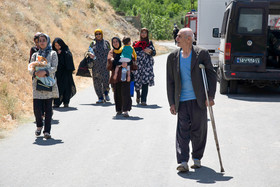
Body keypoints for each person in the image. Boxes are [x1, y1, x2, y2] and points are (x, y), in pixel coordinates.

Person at [166, 28, 217, 172]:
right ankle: (183, 161)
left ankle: (197, 157)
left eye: (179, 36)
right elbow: (170, 82)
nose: (176, 39)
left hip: (198, 99)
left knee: (199, 130)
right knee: (182, 131)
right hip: (181, 100)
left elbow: (211, 76)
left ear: (189, 39)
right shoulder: (173, 57)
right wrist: (171, 102)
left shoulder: (202, 54)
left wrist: (210, 96)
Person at [29, 33, 59, 139]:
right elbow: (30, 68)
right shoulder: (35, 55)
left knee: (48, 109)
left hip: (48, 84)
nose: (41, 42)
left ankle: (47, 131)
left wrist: (45, 71)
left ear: (48, 41)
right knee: (37, 108)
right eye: (40, 40)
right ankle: (39, 125)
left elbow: (54, 67)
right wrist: (35, 73)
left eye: (43, 40)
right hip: (37, 84)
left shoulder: (53, 54)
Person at [107, 37, 136, 117]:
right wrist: (115, 62)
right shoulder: (112, 51)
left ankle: (126, 110)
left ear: (120, 42)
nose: (115, 43)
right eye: (113, 42)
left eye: (117, 41)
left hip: (126, 75)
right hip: (116, 76)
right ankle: (119, 109)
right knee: (117, 93)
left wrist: (127, 63)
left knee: (125, 92)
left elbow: (132, 59)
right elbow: (110, 60)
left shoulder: (125, 49)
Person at [133, 28, 156, 106]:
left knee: (145, 82)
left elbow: (154, 53)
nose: (143, 34)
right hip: (138, 65)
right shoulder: (136, 43)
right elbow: (132, 52)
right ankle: (138, 94)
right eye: (142, 32)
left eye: (145, 33)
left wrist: (150, 51)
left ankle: (144, 100)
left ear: (147, 34)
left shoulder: (149, 43)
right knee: (137, 80)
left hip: (147, 65)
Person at [52, 38, 76, 108]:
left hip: (66, 73)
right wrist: (56, 54)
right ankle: (57, 102)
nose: (57, 47)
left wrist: (62, 53)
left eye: (59, 45)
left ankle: (66, 102)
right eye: (56, 46)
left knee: (66, 87)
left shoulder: (66, 50)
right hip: (57, 73)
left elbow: (69, 58)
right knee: (57, 87)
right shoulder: (53, 52)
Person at [88, 29, 111, 103]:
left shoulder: (106, 43)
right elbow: (89, 51)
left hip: (105, 65)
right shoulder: (93, 43)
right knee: (97, 82)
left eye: (99, 34)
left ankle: (106, 93)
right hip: (96, 66)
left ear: (102, 34)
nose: (98, 35)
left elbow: (110, 52)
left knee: (106, 80)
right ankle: (100, 97)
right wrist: (90, 54)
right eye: (96, 34)